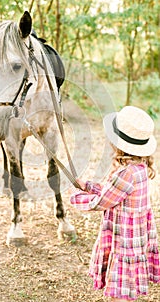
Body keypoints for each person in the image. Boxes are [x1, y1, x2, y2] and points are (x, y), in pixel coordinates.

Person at [70, 106, 160, 301]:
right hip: (135, 236)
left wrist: (75, 197)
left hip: (124, 239)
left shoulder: (124, 174)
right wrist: (86, 186)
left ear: (118, 144)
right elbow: (112, 192)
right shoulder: (140, 168)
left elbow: (101, 202)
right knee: (126, 285)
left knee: (121, 290)